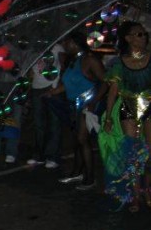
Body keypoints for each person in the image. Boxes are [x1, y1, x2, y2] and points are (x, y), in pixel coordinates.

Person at [100, 21, 151, 211]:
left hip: (149, 106)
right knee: (133, 153)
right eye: (139, 34)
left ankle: (147, 190)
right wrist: (108, 118)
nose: (144, 37)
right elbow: (112, 92)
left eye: (144, 34)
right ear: (128, 38)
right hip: (128, 107)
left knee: (149, 152)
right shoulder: (119, 63)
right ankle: (135, 195)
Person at [47, 32, 107, 190]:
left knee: (82, 139)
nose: (64, 45)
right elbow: (68, 84)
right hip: (73, 105)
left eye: (66, 42)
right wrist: (52, 92)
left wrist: (94, 102)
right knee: (77, 141)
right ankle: (77, 172)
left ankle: (90, 177)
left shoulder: (90, 59)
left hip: (87, 104)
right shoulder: (73, 60)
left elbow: (106, 81)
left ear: (74, 43)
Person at [27, 43, 66, 168]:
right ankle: (39, 155)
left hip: (51, 87)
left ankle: (53, 157)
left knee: (54, 123)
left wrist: (55, 87)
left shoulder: (57, 47)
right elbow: (31, 69)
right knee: (39, 124)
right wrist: (29, 88)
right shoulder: (34, 48)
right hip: (36, 88)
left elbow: (63, 67)